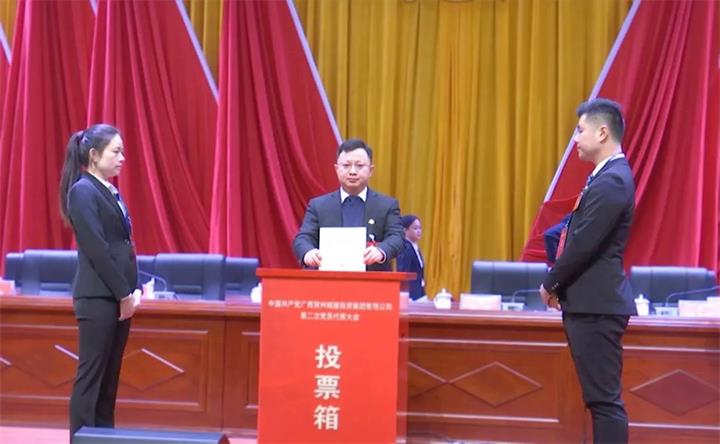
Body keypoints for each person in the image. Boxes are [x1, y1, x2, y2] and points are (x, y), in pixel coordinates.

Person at [540, 98, 637, 443]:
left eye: (580, 130)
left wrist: (550, 283)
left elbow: (583, 243)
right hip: (591, 304)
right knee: (599, 400)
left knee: (604, 402)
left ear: (602, 132)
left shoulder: (612, 181)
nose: (576, 139)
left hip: (597, 306)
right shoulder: (605, 177)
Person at [59, 124, 138, 440]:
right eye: (115, 151)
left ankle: (104, 438)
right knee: (91, 377)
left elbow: (121, 244)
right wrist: (123, 294)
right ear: (94, 155)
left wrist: (131, 289)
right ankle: (81, 438)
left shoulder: (106, 189)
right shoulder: (83, 191)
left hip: (116, 297)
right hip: (98, 298)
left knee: (109, 380)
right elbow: (97, 249)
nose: (122, 158)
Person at [293, 138, 404, 271]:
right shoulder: (319, 206)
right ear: (336, 169)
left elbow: (397, 238)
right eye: (346, 165)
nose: (352, 171)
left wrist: (381, 251)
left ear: (371, 170)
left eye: (359, 166)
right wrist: (308, 252)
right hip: (328, 279)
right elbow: (303, 238)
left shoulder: (386, 205)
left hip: (372, 280)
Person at [396, 214, 425, 300]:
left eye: (420, 228)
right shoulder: (405, 248)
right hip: (410, 294)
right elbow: (403, 272)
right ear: (405, 230)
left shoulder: (415, 246)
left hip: (419, 291)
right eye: (415, 228)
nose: (419, 231)